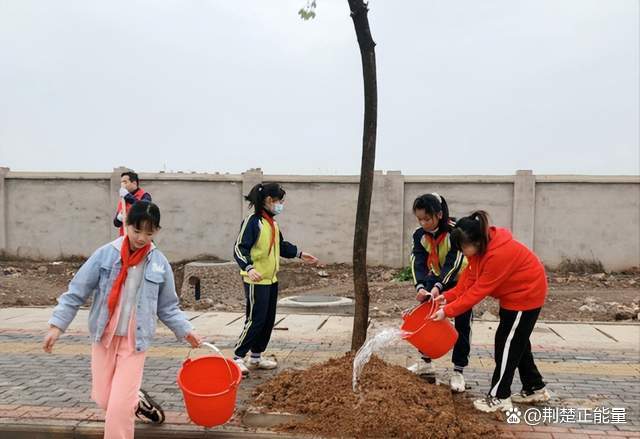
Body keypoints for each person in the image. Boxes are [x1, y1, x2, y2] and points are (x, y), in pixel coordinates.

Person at [43, 201, 202, 438]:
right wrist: (57, 326)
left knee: (118, 409)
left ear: (157, 231)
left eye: (149, 233)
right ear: (126, 225)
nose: (141, 238)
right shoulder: (106, 254)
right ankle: (137, 401)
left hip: (134, 341)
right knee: (104, 398)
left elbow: (167, 306)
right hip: (103, 336)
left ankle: (128, 403)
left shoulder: (158, 263)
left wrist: (186, 330)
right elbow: (76, 291)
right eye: (137, 231)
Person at [432, 211, 550, 412]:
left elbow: (478, 291)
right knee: (516, 342)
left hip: (526, 295)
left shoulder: (498, 255)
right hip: (513, 296)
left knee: (506, 345)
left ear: (477, 241)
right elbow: (469, 279)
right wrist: (448, 296)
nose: (462, 251)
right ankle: (535, 387)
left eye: (463, 247)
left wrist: (447, 311)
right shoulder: (481, 250)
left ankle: (499, 396)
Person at [232, 183, 319, 376]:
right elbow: (239, 248)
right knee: (255, 319)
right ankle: (237, 357)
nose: (281, 205)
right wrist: (249, 267)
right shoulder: (252, 222)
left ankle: (256, 357)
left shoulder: (271, 224)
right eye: (279, 201)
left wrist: (300, 253)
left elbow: (281, 245)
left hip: (271, 279)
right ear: (269, 200)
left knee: (268, 320)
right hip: (255, 279)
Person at [407, 193, 469, 392]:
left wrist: (439, 287)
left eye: (427, 218)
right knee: (426, 318)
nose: (423, 223)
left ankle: (458, 371)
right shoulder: (419, 235)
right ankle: (426, 361)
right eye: (420, 219)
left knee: (462, 323)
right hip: (435, 278)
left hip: (459, 281)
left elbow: (454, 262)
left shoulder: (455, 232)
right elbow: (417, 260)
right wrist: (422, 287)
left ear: (439, 214)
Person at [114, 171, 152, 236]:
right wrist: (119, 218)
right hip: (125, 237)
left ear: (134, 183)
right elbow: (116, 224)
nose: (122, 185)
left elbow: (143, 207)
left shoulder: (145, 196)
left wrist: (127, 196)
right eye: (121, 182)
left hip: (140, 237)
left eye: (125, 182)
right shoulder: (123, 201)